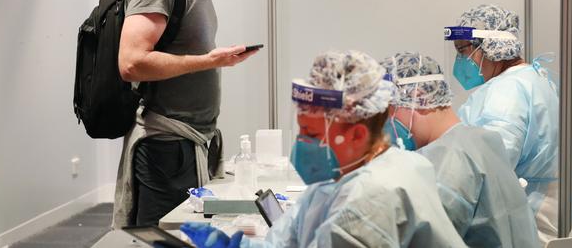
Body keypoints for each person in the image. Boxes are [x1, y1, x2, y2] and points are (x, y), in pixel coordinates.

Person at [181, 50, 467, 248]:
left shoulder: (372, 198)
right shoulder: (339, 178)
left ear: (356, 134)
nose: (301, 144)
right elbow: (287, 239)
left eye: (312, 134)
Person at [112, 0, 260, 227]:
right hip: (164, 149)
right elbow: (131, 62)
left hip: (187, 145)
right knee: (162, 236)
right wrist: (211, 61)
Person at [381, 51, 540, 248]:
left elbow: (425, 239)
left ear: (418, 99)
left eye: (388, 112)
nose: (385, 124)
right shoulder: (480, 139)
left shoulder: (451, 159)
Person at [444, 4, 560, 242]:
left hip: (522, 223)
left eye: (462, 50)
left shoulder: (507, 92)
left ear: (489, 45)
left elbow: (489, 167)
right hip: (534, 210)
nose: (460, 60)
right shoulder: (532, 77)